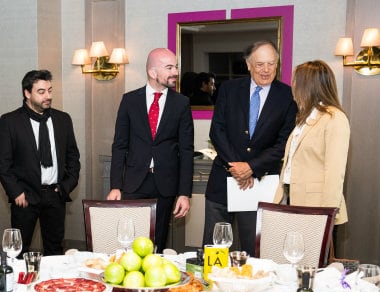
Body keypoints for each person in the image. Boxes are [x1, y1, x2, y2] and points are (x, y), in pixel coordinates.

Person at [203, 41, 297, 255]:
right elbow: (217, 131)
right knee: (214, 248)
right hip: (223, 181)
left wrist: (251, 167)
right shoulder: (228, 89)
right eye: (260, 64)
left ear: (277, 64)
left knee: (253, 251)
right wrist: (237, 167)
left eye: (271, 64)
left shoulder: (288, 96)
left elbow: (284, 143)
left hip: (259, 184)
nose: (266, 70)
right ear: (248, 64)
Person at [107, 48, 194, 253]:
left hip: (165, 184)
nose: (176, 72)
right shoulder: (130, 100)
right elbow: (119, 145)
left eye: (176, 67)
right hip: (134, 182)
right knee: (129, 241)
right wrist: (115, 186)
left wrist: (184, 193)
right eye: (169, 67)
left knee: (157, 242)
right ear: (152, 72)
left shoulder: (181, 103)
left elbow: (186, 150)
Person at [0, 70, 80, 256]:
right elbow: (2, 162)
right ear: (27, 93)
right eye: (41, 92)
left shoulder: (62, 119)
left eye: (49, 90)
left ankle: (52, 285)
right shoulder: (10, 121)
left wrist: (66, 186)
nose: (47, 96)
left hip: (55, 195)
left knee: (55, 250)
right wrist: (15, 191)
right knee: (17, 252)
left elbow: (73, 157)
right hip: (25, 197)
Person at [274, 60, 350, 232]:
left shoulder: (334, 118)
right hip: (292, 199)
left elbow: (334, 173)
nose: (292, 86)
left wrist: (326, 214)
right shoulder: (304, 118)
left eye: (295, 81)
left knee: (312, 259)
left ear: (308, 85)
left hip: (316, 207)